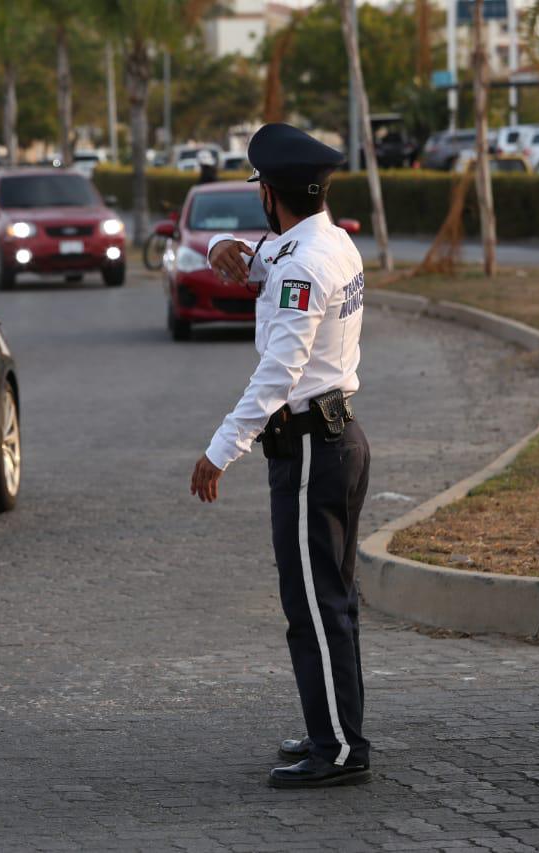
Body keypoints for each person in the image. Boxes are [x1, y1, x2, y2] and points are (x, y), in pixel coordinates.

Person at [188, 123, 371, 789]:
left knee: (314, 607)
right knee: (334, 601)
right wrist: (220, 247)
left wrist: (219, 451)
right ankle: (334, 731)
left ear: (269, 193)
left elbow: (279, 372)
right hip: (339, 439)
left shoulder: (298, 262)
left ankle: (340, 751)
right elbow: (257, 264)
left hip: (309, 450)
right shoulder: (327, 241)